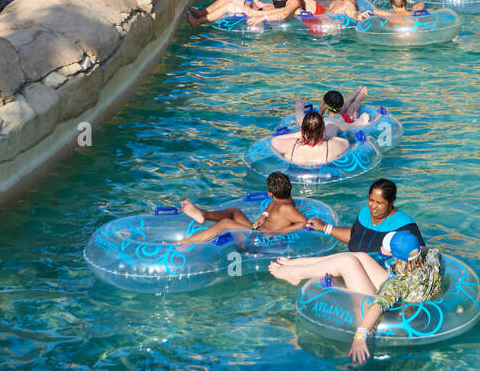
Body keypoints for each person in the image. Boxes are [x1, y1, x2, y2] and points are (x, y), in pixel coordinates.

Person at [273, 229, 444, 365]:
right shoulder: (432, 257)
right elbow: (422, 250)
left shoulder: (397, 285)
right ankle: (299, 263)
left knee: (348, 263)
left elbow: (377, 307)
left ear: (397, 257)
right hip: (406, 283)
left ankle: (294, 273)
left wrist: (360, 337)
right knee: (360, 257)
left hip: (393, 309)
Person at [270, 178, 425, 268]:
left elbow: (418, 252)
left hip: (378, 272)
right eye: (371, 200)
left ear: (391, 202)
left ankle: (294, 269)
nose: (373, 206)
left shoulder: (404, 225)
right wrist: (325, 227)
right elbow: (354, 236)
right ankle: (294, 265)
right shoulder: (365, 213)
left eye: (379, 203)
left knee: (340, 261)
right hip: (354, 264)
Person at [171, 173, 324, 246]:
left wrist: (278, 233)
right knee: (235, 211)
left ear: (270, 194)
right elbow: (271, 207)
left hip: (258, 240)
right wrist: (263, 216)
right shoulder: (282, 202)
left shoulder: (287, 208)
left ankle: (183, 243)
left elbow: (304, 223)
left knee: (226, 223)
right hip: (255, 231)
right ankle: (204, 215)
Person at [269, 108, 351, 166]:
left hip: (295, 176)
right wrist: (327, 136)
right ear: (323, 130)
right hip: (324, 177)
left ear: (303, 131)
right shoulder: (331, 146)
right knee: (332, 125)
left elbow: (274, 140)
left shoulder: (292, 145)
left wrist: (299, 134)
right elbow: (346, 143)